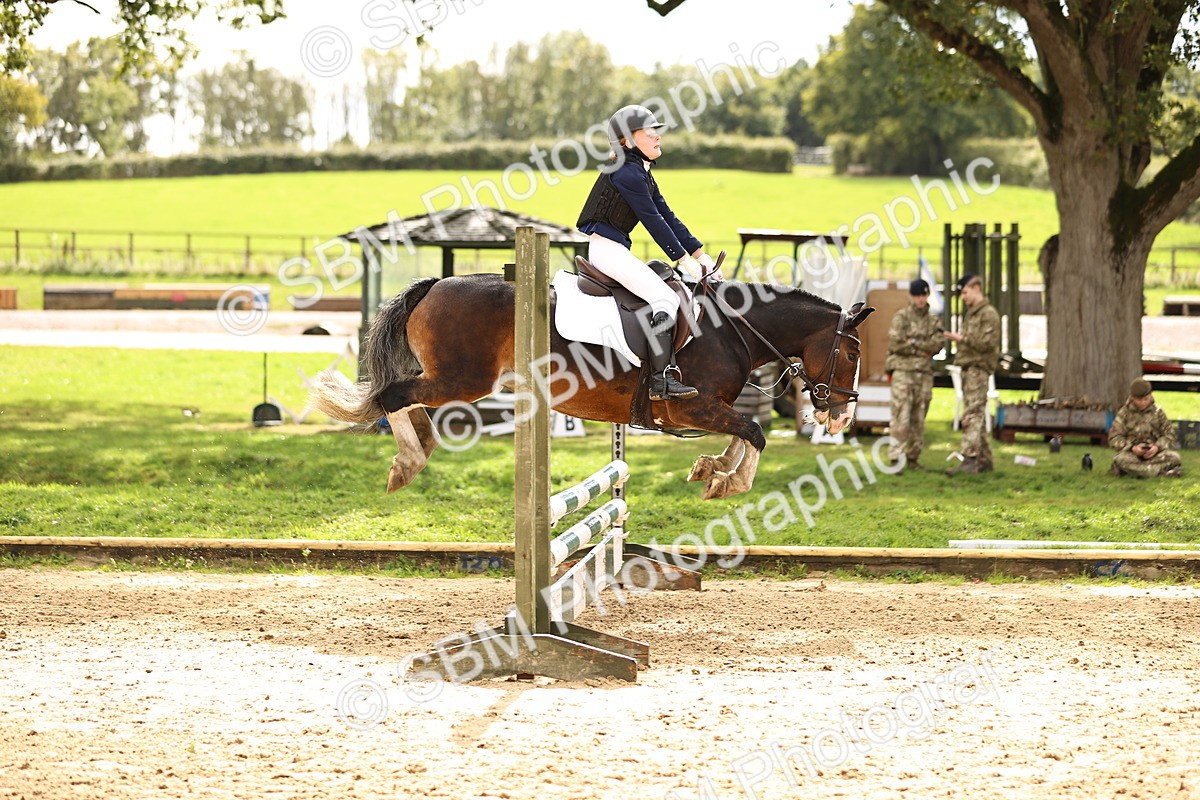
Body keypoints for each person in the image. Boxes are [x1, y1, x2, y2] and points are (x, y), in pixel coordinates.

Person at [576, 104, 722, 402]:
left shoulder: (640, 172)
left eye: (657, 130)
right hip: (605, 250)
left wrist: (699, 254)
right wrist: (684, 261)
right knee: (665, 298)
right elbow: (653, 222)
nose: (657, 137)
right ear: (627, 141)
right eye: (649, 132)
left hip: (613, 248)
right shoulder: (627, 174)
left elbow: (667, 215)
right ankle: (660, 380)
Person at [884, 278, 945, 470]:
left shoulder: (933, 320)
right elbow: (895, 344)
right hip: (903, 372)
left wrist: (911, 342)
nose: (921, 299)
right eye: (917, 295)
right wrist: (920, 347)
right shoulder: (901, 317)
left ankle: (913, 458)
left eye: (924, 295)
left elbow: (937, 345)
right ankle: (895, 457)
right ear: (911, 296)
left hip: (924, 374)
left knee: (919, 417)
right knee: (901, 415)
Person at [944, 273, 1000, 475]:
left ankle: (969, 460)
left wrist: (962, 338)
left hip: (978, 369)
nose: (963, 297)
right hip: (969, 369)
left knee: (971, 415)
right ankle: (985, 461)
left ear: (977, 288)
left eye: (965, 292)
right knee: (978, 416)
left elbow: (987, 344)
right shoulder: (973, 313)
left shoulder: (988, 314)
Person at [1109, 379, 1184, 477]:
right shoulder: (1124, 414)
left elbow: (1170, 434)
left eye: (1146, 399)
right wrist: (1132, 448)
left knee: (1175, 457)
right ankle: (1161, 473)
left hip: (1155, 455)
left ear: (1151, 396)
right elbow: (1114, 438)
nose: (1143, 403)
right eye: (1139, 400)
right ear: (1132, 398)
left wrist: (1157, 447)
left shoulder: (1158, 413)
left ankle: (1136, 472)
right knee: (1120, 459)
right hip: (1132, 455)